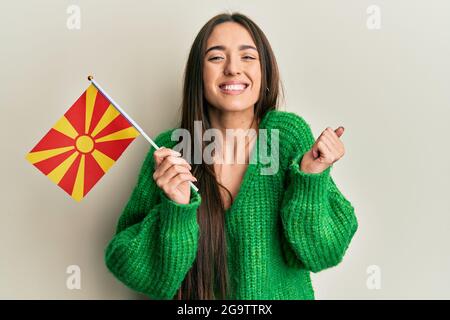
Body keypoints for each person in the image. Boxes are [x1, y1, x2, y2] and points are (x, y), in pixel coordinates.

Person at [104, 12, 358, 300]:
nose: (233, 69)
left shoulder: (288, 136)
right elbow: (133, 268)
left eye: (248, 57)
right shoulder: (171, 149)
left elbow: (323, 252)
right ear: (198, 75)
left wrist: (311, 178)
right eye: (216, 58)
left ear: (265, 71)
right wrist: (176, 210)